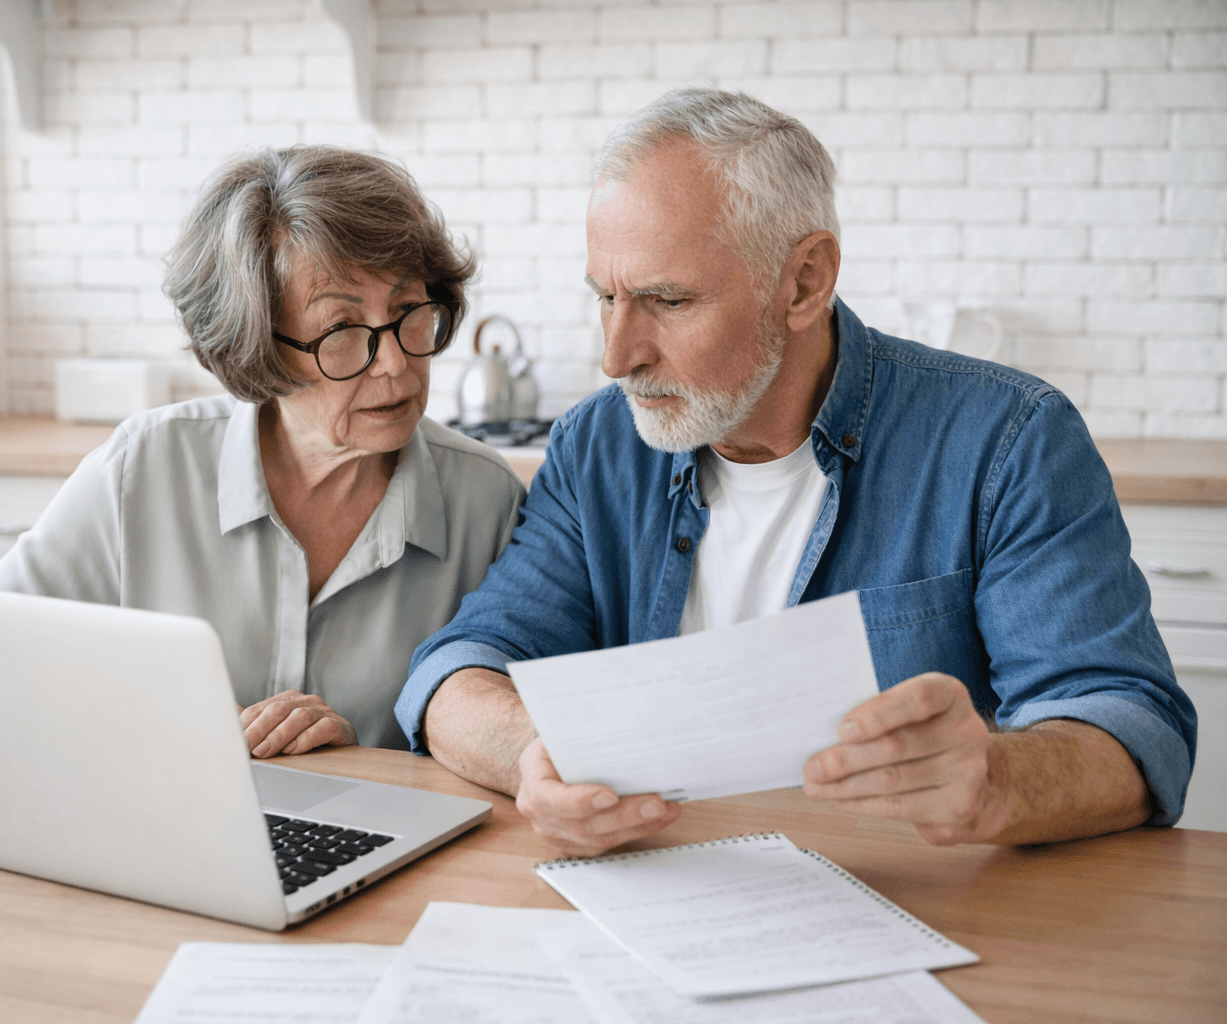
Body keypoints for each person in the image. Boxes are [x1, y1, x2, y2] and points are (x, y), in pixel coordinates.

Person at [399, 89, 1195, 858]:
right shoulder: (598, 445)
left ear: (805, 281)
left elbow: (1133, 728)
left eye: (667, 301)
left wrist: (996, 780)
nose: (617, 357)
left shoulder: (1007, 440)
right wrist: (534, 756)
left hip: (918, 907)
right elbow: (459, 671)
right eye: (606, 297)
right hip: (656, 893)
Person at [0, 146, 526, 770]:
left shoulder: (486, 502)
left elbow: (516, 755)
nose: (396, 364)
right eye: (342, 330)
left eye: (411, 311)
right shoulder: (148, 466)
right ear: (253, 345)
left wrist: (368, 767)